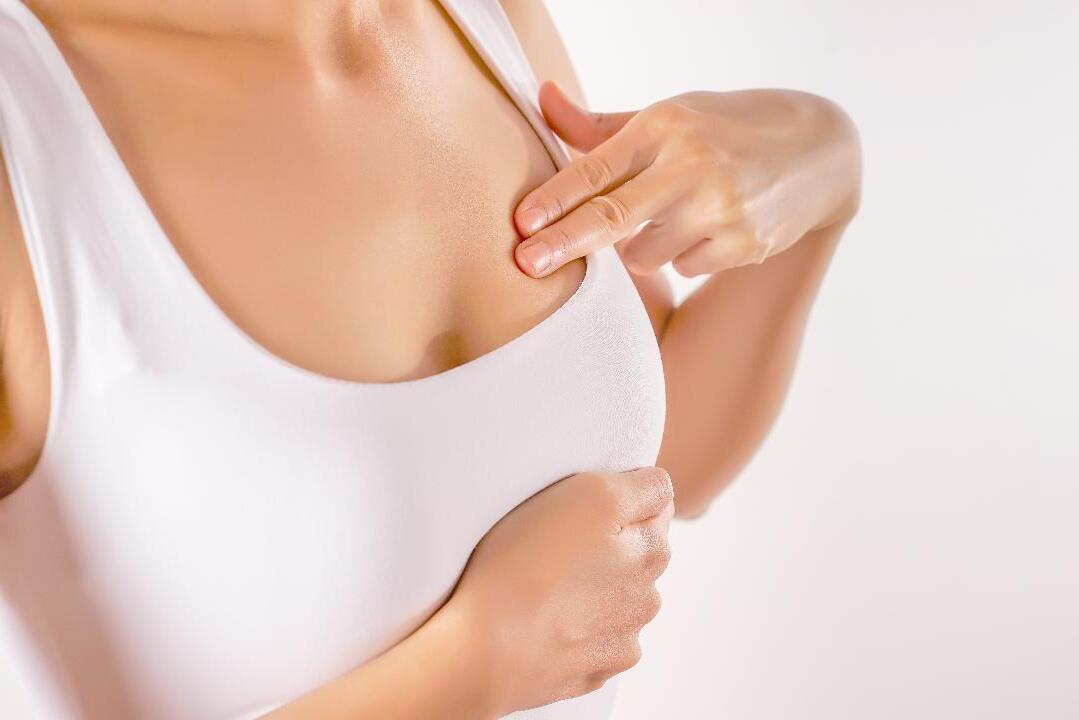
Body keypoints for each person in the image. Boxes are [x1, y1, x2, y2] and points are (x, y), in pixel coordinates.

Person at [0, 0, 861, 718]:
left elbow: (656, 476)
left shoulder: (484, 21)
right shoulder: (21, 139)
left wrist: (827, 171)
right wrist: (474, 664)